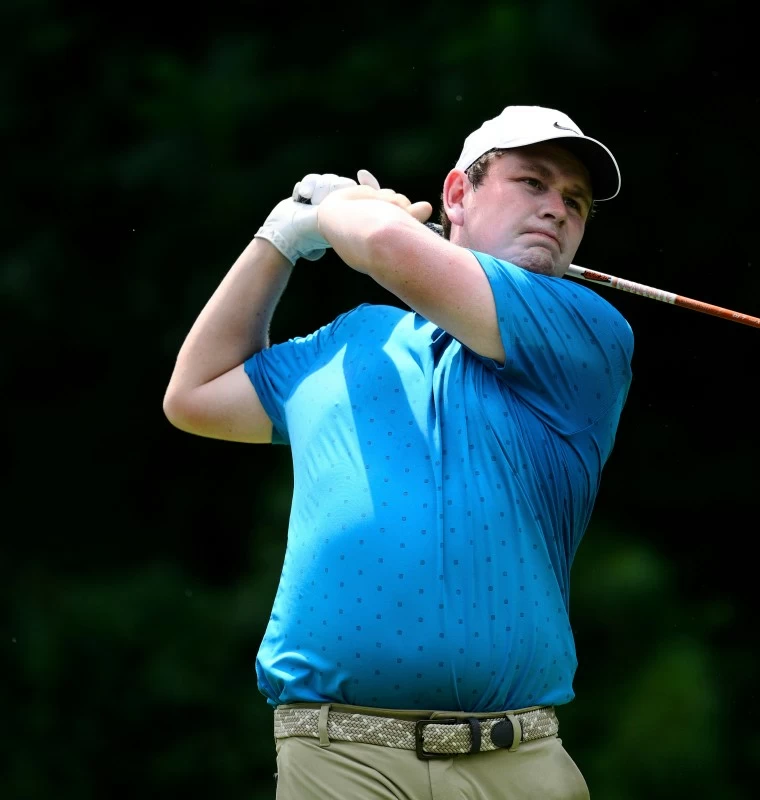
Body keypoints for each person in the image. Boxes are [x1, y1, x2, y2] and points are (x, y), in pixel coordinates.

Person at [162, 105, 634, 799]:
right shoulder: (352, 341)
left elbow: (383, 244)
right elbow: (195, 394)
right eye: (532, 183)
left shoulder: (586, 332)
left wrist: (334, 207)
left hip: (519, 761)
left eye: (575, 202)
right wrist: (278, 238)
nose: (557, 211)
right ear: (456, 196)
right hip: (339, 756)